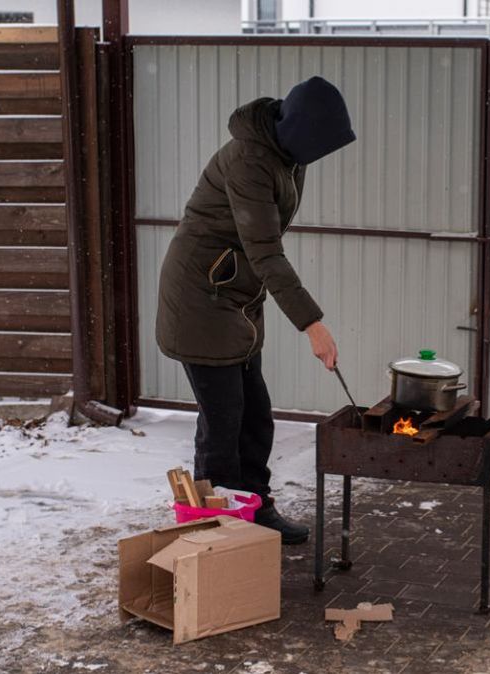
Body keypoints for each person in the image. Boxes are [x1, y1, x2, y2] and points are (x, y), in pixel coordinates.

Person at [156, 76, 355, 545]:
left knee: (255, 415)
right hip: (200, 299)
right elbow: (265, 250)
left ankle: (254, 508)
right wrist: (312, 324)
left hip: (235, 297)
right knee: (223, 421)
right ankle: (216, 531)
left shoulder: (287, 156)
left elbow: (261, 247)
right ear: (303, 131)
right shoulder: (250, 160)